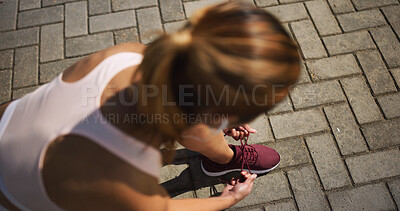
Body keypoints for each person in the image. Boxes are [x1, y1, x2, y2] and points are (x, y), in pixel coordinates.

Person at [0, 1, 300, 210]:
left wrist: (215, 113)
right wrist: (228, 199)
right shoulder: (124, 180)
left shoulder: (125, 55)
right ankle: (220, 161)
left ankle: (218, 155)